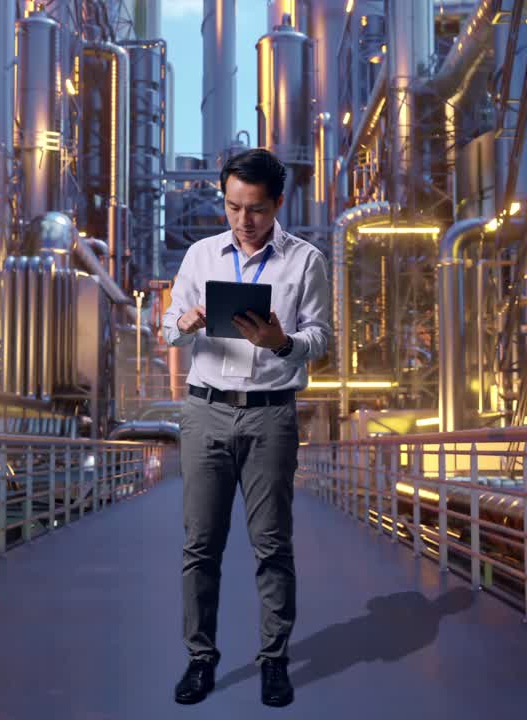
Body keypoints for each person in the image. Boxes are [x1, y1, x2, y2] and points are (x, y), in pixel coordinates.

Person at [161, 148, 332, 708]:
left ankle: (274, 660)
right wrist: (183, 324)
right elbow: (166, 329)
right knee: (200, 545)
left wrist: (281, 342)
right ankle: (200, 659)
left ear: (278, 204)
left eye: (254, 209)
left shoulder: (305, 261)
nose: (242, 220)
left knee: (272, 545)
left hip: (270, 413)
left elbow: (322, 342)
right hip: (205, 409)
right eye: (233, 207)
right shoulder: (200, 255)